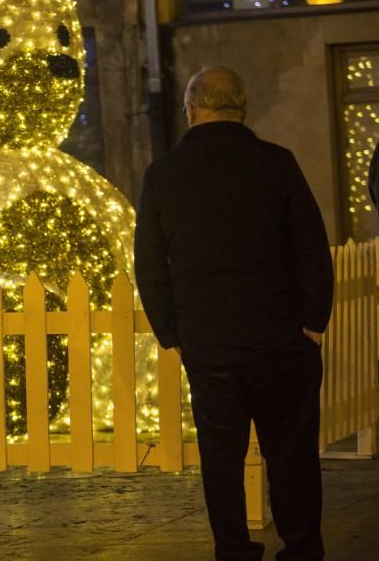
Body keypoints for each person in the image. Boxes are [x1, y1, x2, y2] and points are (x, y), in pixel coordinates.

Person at [134, 66, 334, 561]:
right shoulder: (277, 163)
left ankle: (235, 548)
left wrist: (173, 334)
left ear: (191, 108)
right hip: (282, 337)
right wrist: (314, 322)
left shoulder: (163, 175)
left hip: (210, 342)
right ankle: (303, 547)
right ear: (240, 107)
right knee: (291, 453)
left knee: (220, 458)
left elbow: (150, 265)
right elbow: (311, 246)